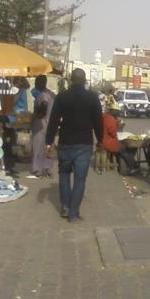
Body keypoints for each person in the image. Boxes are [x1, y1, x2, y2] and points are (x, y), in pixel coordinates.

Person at [45, 69, 103, 223]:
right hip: (84, 144)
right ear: (84, 81)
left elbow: (54, 121)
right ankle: (73, 213)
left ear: (71, 80)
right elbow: (98, 121)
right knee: (80, 179)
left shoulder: (62, 97)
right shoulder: (92, 97)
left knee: (64, 175)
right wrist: (101, 140)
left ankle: (64, 207)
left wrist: (48, 142)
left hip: (65, 142)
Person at [29, 75, 56, 178]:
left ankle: (38, 170)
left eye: (36, 82)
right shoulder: (52, 94)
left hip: (41, 124)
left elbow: (43, 106)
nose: (35, 85)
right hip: (51, 125)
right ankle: (47, 169)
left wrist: (35, 116)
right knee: (48, 147)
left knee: (38, 147)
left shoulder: (42, 95)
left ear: (41, 83)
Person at [102, 102, 137, 175]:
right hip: (108, 142)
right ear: (113, 111)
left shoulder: (106, 117)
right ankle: (132, 167)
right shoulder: (109, 119)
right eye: (117, 112)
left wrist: (116, 122)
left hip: (105, 139)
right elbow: (113, 133)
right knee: (125, 149)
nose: (118, 113)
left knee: (125, 146)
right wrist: (118, 126)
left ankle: (131, 164)